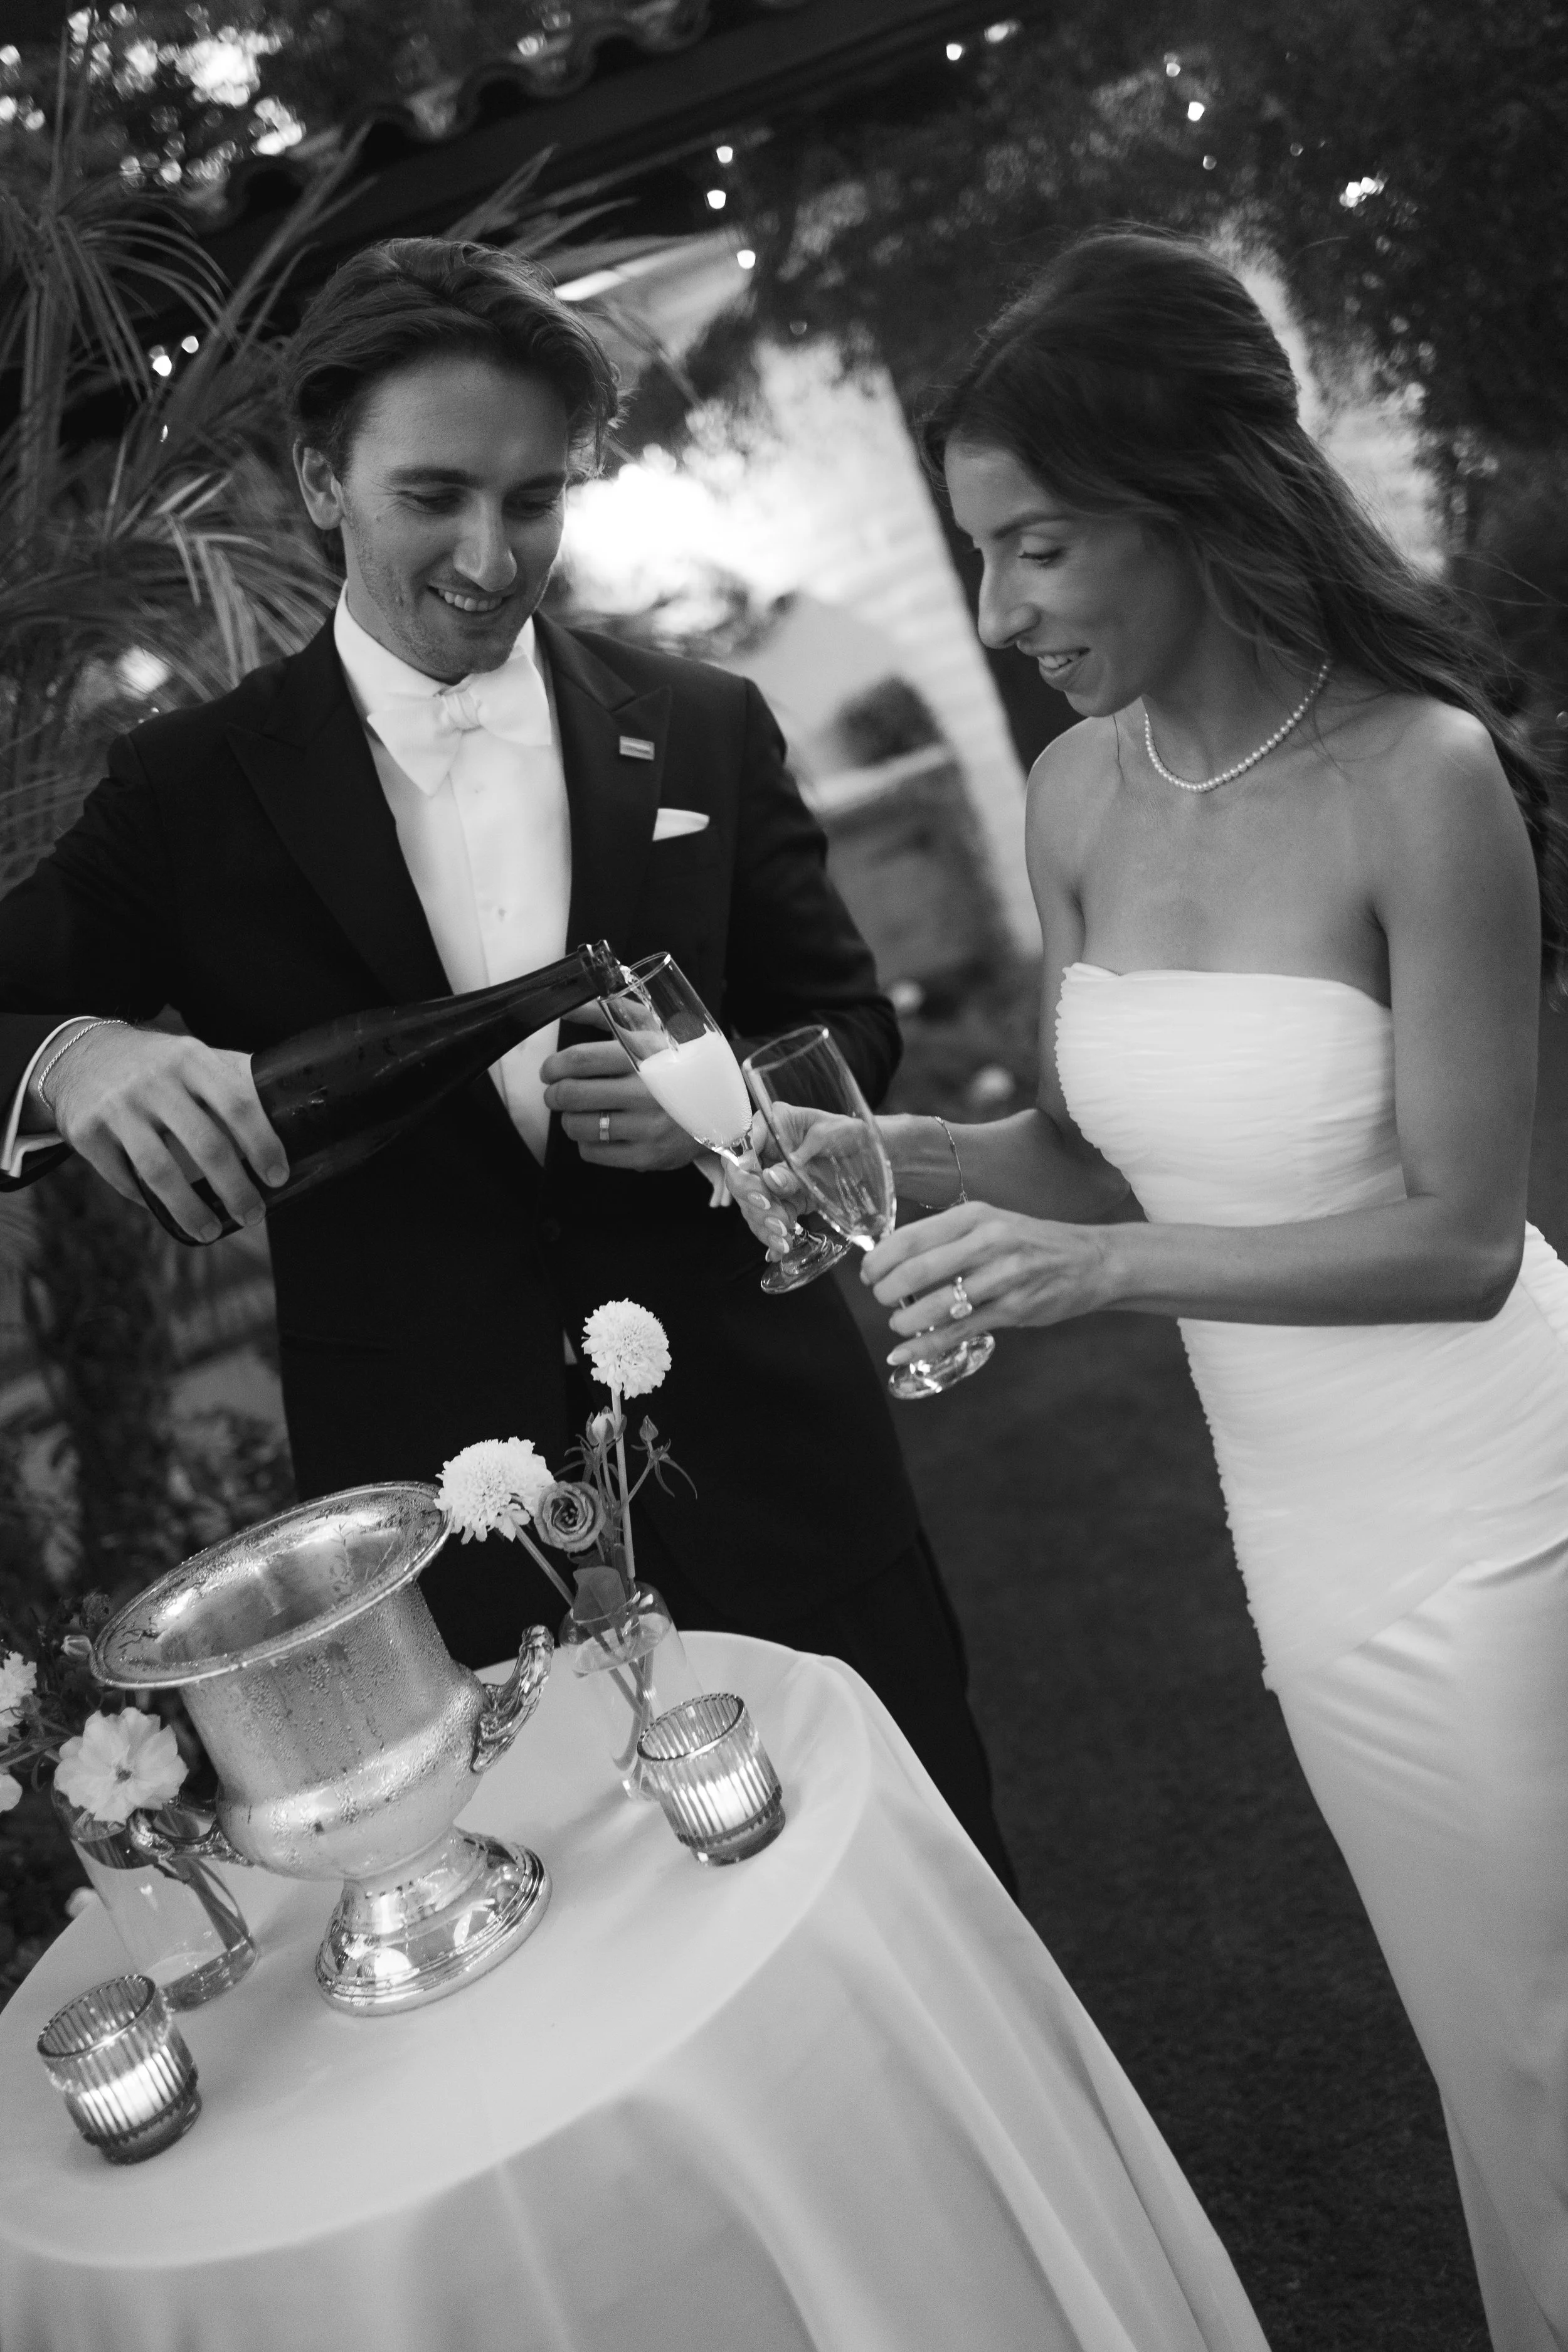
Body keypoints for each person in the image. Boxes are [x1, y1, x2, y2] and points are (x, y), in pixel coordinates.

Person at [743, 230, 1568, 2351]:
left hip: (1504, 1509)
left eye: (1038, 549)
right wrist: (894, 1153)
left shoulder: (1419, 775)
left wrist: (1095, 1272)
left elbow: (1462, 1237)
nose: (1004, 615)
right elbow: (1093, 1151)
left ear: (1191, 502)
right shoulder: (1073, 793)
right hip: (1303, 1540)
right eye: (978, 558)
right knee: (1493, 2051)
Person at [0, 236, 1015, 1885]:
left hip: (782, 1476)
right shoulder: (188, 794)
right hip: (450, 1553)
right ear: (319, 482)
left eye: (533, 500)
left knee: (932, 1881)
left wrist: (721, 1101)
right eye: (433, 496)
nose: (490, 556)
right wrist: (71, 1053)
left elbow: (847, 1029)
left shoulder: (702, 725)